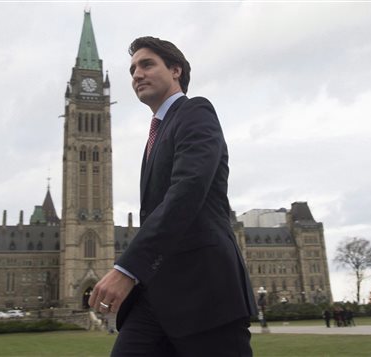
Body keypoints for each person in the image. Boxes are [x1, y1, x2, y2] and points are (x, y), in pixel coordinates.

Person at [88, 36, 257, 356]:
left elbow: (187, 192)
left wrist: (127, 269)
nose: (136, 74)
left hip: (204, 292)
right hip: (155, 296)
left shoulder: (196, 112)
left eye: (147, 64)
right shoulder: (157, 132)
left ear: (176, 70)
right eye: (132, 68)